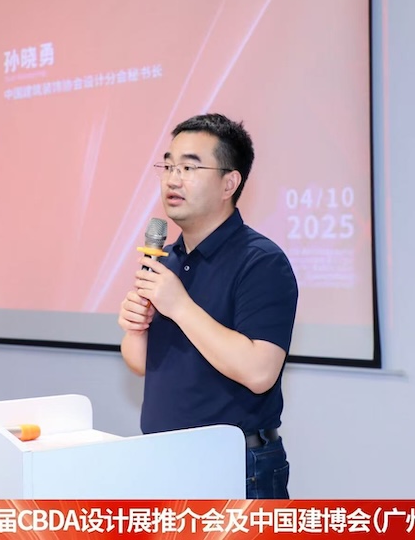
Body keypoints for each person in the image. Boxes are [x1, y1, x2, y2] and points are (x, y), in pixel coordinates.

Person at [118, 113, 298, 499]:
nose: (173, 179)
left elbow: (259, 371)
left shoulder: (261, 261)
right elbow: (143, 363)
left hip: (235, 466)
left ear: (229, 183)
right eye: (168, 166)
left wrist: (180, 306)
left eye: (189, 168)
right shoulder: (165, 258)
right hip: (164, 458)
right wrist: (134, 328)